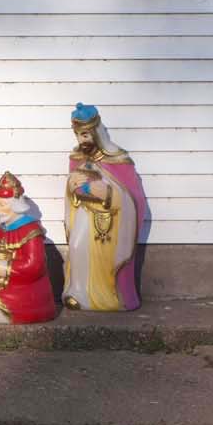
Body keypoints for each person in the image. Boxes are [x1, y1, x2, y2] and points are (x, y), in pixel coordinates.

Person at [63, 103, 146, 311]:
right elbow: (71, 190)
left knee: (104, 259)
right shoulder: (77, 158)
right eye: (78, 135)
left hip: (112, 223)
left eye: (86, 135)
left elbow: (135, 199)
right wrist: (72, 186)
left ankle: (110, 297)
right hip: (83, 215)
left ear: (96, 132)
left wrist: (108, 193)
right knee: (76, 247)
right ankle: (78, 292)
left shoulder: (118, 159)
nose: (82, 140)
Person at [0, 172, 57, 325]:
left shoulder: (31, 231)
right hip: (4, 283)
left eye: (2, 204)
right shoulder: (1, 230)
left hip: (27, 289)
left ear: (16, 205)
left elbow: (36, 266)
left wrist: (6, 268)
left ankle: (25, 312)